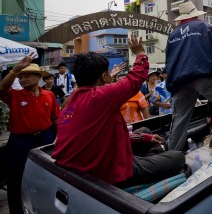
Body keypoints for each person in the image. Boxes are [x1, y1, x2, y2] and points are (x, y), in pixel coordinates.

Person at [52, 36, 185, 188]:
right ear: (103, 77)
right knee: (178, 157)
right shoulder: (100, 96)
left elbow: (111, 136)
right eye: (109, 72)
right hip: (106, 170)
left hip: (84, 163)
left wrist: (145, 138)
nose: (111, 75)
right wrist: (140, 52)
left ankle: (147, 156)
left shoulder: (72, 100)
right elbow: (135, 79)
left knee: (145, 131)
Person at [0, 54, 59, 214]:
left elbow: (55, 118)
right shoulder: (15, 95)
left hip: (45, 138)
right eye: (21, 76)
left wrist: (59, 138)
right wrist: (16, 69)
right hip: (19, 143)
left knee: (47, 178)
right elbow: (1, 90)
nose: (22, 79)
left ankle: (46, 213)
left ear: (39, 77)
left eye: (27, 75)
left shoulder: (49, 95)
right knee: (15, 180)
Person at [165, 1, 212, 151]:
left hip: (178, 81)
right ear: (195, 15)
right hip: (202, 73)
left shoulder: (173, 34)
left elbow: (169, 60)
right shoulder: (203, 26)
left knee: (180, 119)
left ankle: (170, 156)